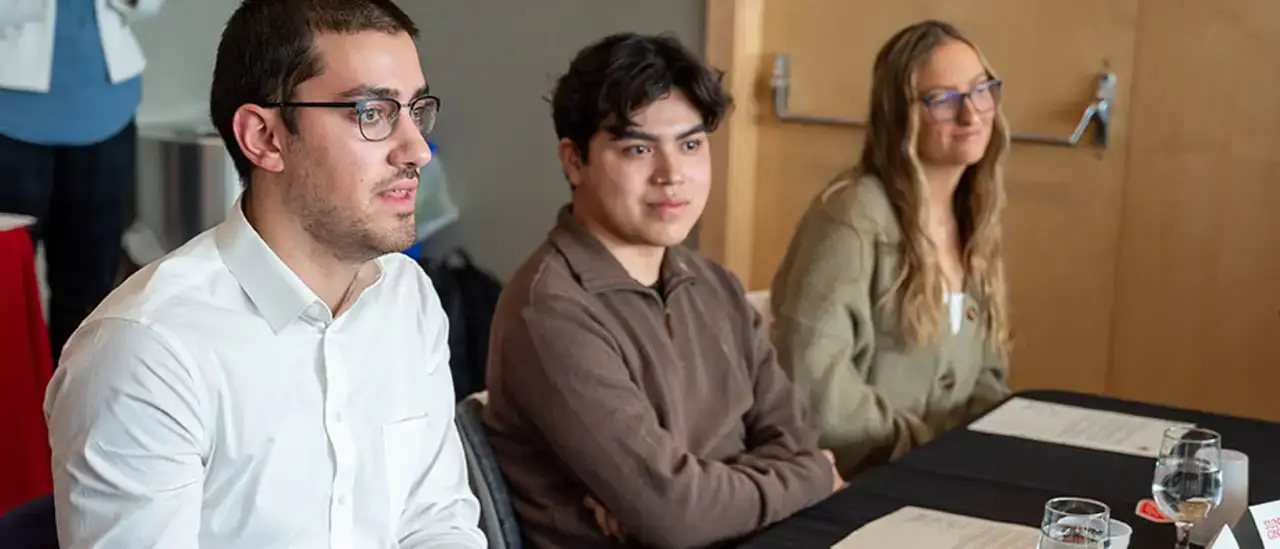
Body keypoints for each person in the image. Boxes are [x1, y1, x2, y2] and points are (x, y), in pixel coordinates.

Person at [42, 0, 486, 547]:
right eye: (373, 112)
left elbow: (436, 520)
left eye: (416, 110)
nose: (417, 149)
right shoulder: (146, 349)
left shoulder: (406, 293)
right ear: (265, 138)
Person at [482, 32, 842, 549]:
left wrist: (697, 501)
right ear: (574, 161)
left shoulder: (713, 284)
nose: (672, 175)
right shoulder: (552, 310)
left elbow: (796, 441)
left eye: (691, 145)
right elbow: (680, 516)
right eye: (638, 148)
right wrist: (809, 479)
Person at [769, 20, 1013, 477]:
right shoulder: (852, 215)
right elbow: (816, 390)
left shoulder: (975, 216)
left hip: (942, 475)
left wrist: (987, 450)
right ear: (898, 115)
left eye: (981, 90)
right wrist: (928, 453)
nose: (972, 114)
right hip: (862, 479)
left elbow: (987, 377)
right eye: (943, 100)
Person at [0, 0, 165, 361]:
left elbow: (147, 6)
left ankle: (75, 408)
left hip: (105, 109)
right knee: (6, 289)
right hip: (10, 118)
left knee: (91, 289)